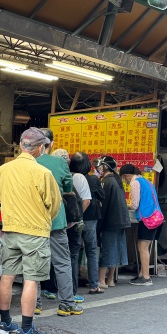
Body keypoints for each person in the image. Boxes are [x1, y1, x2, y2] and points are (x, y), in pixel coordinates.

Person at [0, 128, 61, 334]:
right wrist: (42, 219)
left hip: (11, 229)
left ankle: (4, 323)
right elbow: (54, 205)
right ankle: (26, 330)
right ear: (40, 147)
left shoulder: (3, 170)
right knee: (31, 279)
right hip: (34, 231)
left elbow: (0, 196)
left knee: (7, 275)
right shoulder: (42, 173)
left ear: (21, 145)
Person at [37, 128, 83, 315]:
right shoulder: (59, 163)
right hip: (56, 220)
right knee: (62, 262)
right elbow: (68, 187)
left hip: (33, 221)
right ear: (51, 144)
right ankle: (66, 304)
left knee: (34, 263)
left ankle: (35, 304)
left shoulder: (27, 163)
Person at [120, 164, 162, 286]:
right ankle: (141, 274)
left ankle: (146, 277)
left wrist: (123, 205)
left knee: (142, 247)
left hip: (147, 218)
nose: (125, 181)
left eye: (123, 178)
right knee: (143, 247)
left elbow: (134, 205)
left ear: (126, 175)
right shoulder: (146, 181)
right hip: (156, 216)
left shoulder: (135, 183)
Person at [70, 152, 105, 294]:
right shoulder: (93, 180)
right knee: (91, 250)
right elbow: (101, 196)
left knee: (74, 251)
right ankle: (94, 285)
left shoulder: (69, 178)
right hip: (90, 219)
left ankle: (73, 285)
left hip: (73, 220)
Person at [95, 156, 131, 289]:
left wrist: (99, 225)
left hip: (110, 221)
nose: (98, 169)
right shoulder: (115, 180)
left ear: (105, 167)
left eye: (100, 166)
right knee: (115, 249)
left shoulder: (106, 182)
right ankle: (110, 279)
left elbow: (103, 206)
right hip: (120, 221)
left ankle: (101, 280)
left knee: (107, 249)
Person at [66, 153, 91, 301]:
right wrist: (77, 216)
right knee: (73, 256)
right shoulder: (80, 178)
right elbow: (86, 201)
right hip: (74, 224)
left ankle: (51, 288)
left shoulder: (63, 175)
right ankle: (73, 291)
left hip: (60, 223)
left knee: (58, 256)